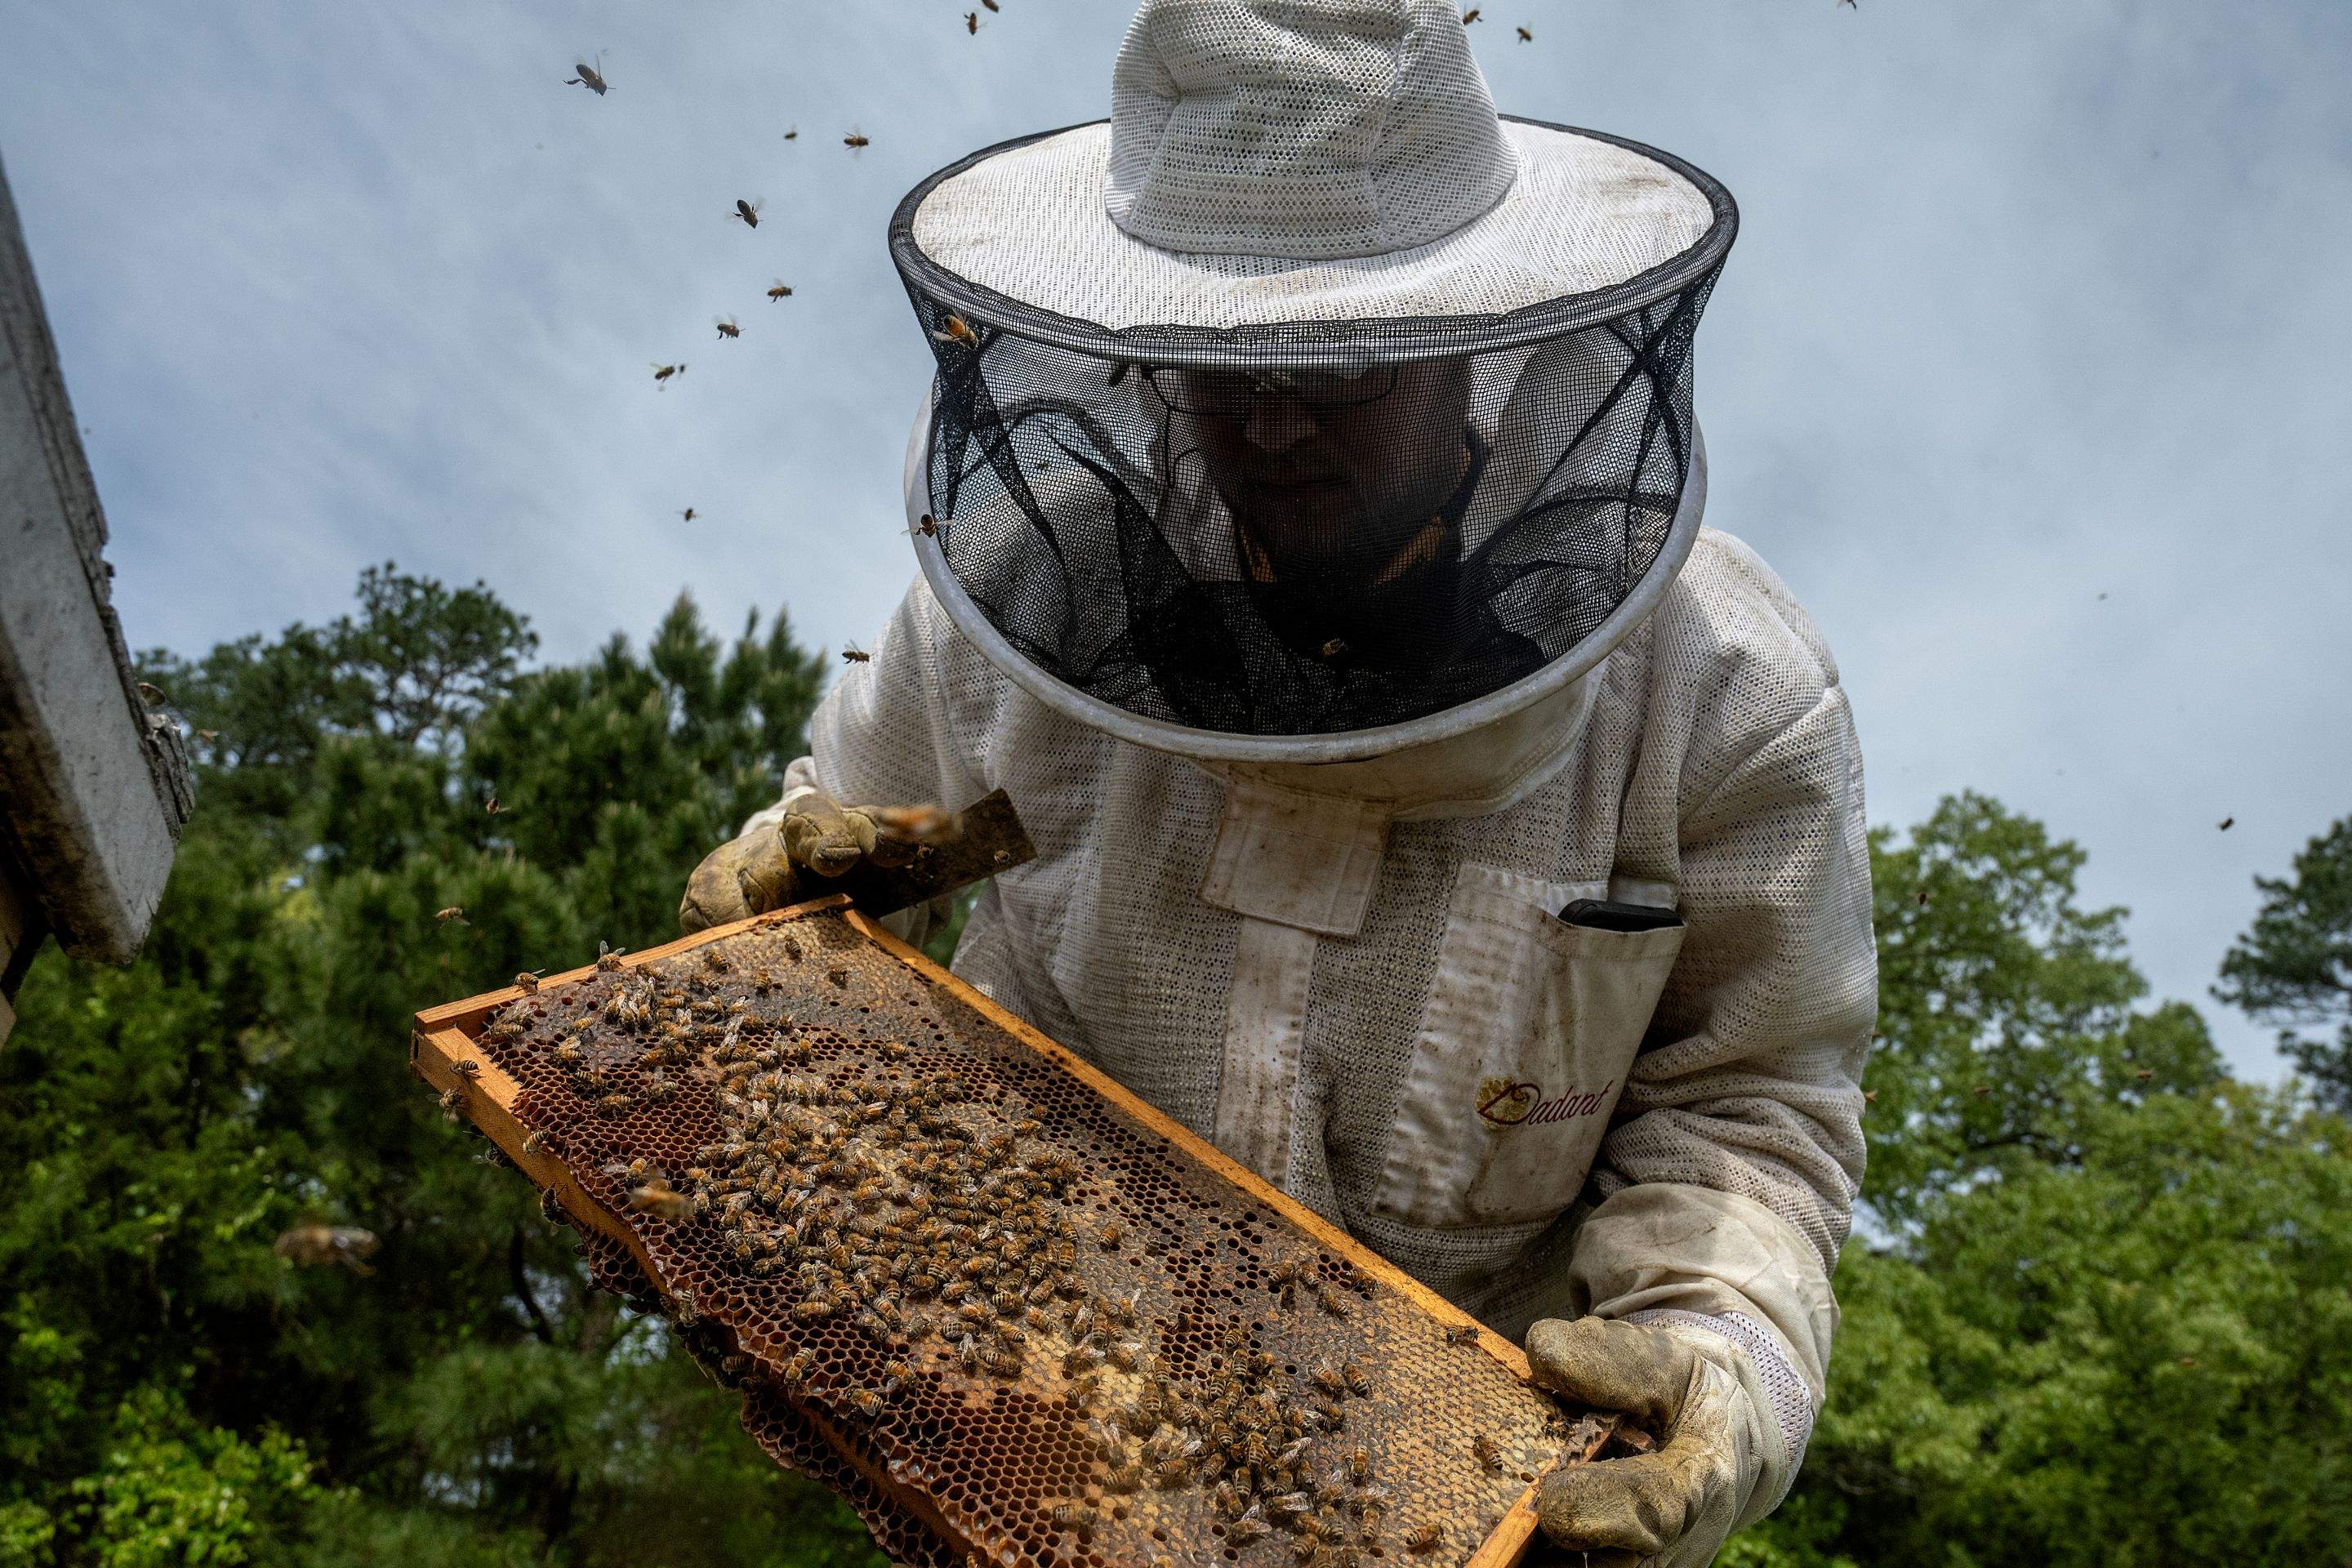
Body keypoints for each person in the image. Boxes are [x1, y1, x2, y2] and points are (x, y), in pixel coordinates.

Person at [684, 2, 1875, 1563]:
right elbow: (907, 841)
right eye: (1216, 362)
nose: (1270, 422)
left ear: (1474, 340)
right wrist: (809, 880)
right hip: (1031, 1405)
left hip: (1429, 1487)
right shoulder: (1017, 614)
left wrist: (1722, 1368)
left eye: (1340, 361)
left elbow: (1749, 1107)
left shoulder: (1721, 693)